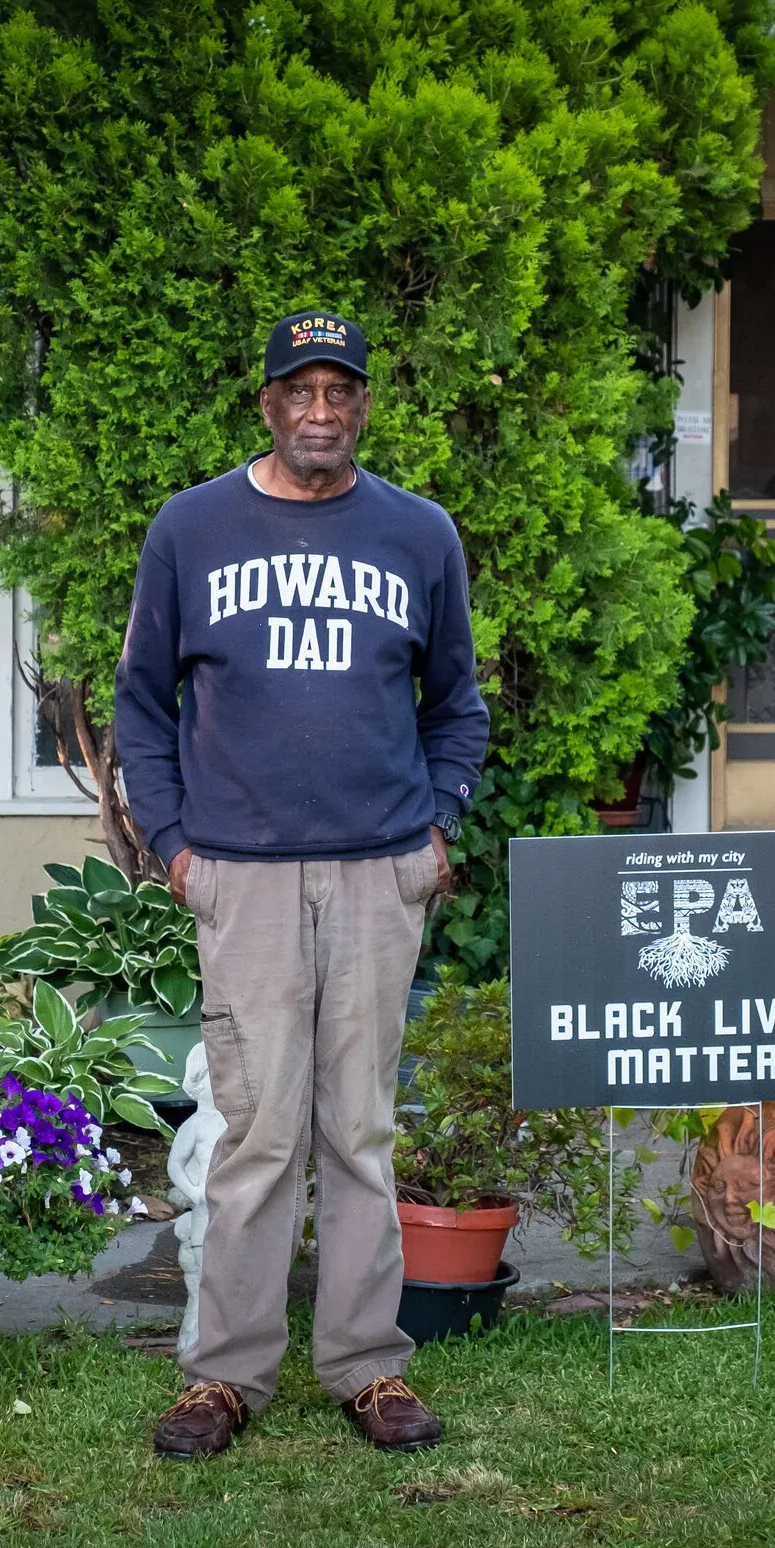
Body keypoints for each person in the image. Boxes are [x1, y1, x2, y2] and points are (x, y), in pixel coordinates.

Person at [116, 310, 490, 1459]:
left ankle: (369, 1368)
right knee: (254, 1134)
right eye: (299, 389)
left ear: (364, 403)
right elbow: (142, 703)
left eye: (341, 389)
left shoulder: (418, 534)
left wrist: (436, 831)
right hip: (241, 875)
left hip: (382, 873)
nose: (319, 408)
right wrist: (176, 843)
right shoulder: (192, 527)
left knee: (361, 1131)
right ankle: (223, 1375)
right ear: (268, 402)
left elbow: (455, 704)